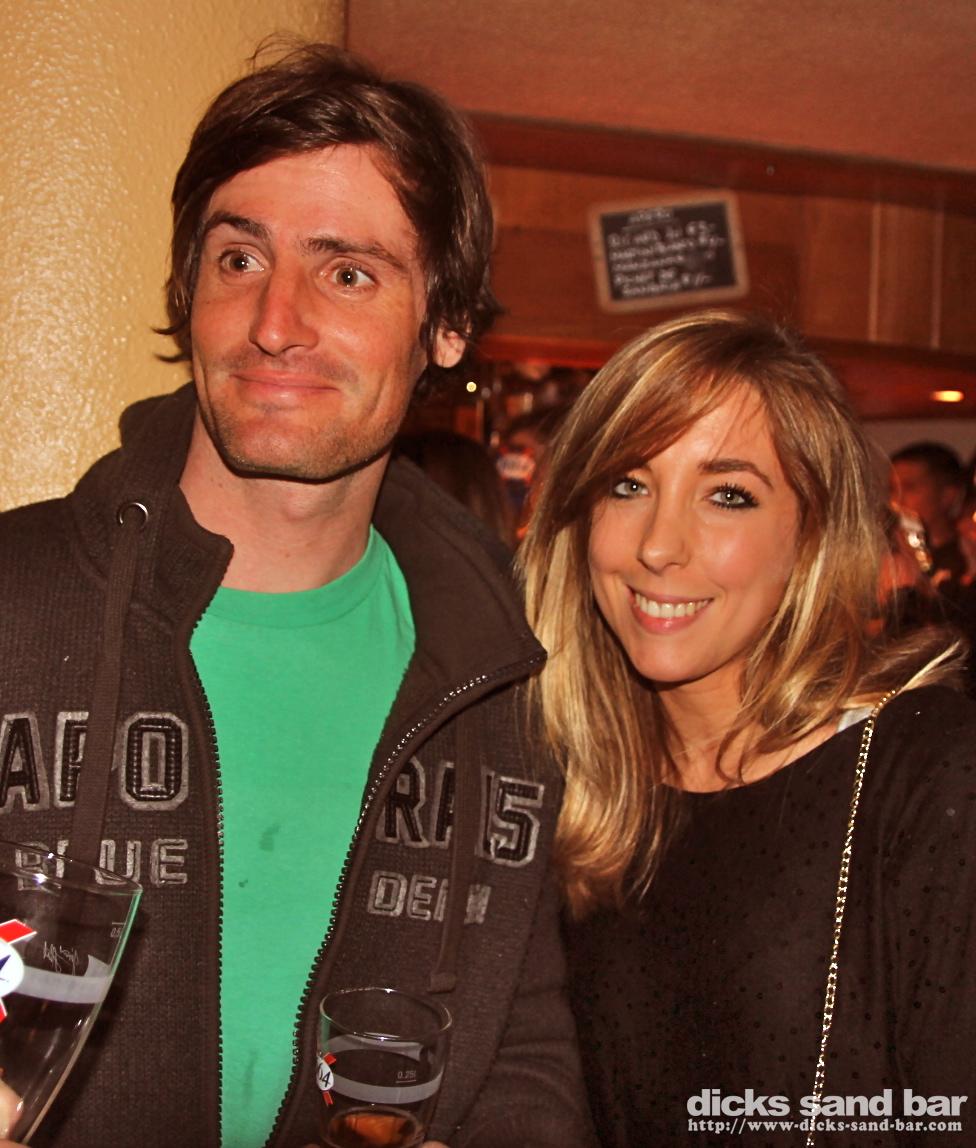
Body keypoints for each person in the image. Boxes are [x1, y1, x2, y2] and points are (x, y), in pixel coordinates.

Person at [0, 43, 591, 1148]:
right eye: (239, 258)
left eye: (347, 273)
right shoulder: (12, 599)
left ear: (447, 326)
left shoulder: (509, 662)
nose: (275, 321)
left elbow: (523, 1042)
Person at [520, 310, 976, 1146]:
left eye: (727, 495)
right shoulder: (565, 785)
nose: (660, 546)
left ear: (811, 535)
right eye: (628, 485)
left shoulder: (929, 774)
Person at [890, 441, 967, 586]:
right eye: (893, 489)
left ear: (947, 496)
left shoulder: (966, 559)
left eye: (909, 488)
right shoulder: (884, 555)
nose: (896, 501)